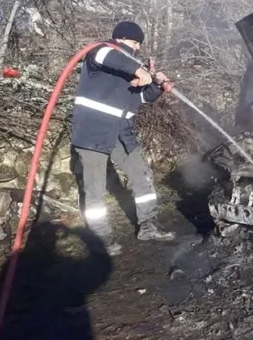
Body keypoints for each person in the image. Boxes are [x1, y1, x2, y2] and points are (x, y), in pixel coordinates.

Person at [71, 21, 175, 256]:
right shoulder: (102, 52)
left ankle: (148, 225)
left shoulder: (128, 68)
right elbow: (109, 54)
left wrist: (157, 85)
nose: (137, 48)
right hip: (93, 131)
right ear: (120, 38)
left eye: (139, 45)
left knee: (142, 174)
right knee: (95, 188)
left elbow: (142, 99)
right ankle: (101, 238)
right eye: (134, 42)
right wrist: (138, 69)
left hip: (121, 132)